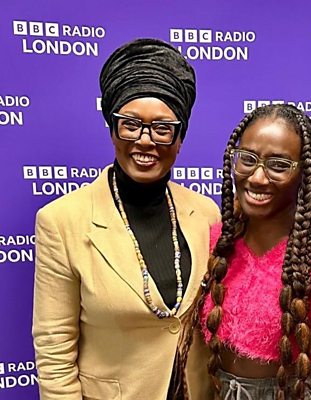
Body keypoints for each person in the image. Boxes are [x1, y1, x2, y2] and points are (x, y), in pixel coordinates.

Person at [32, 38, 220, 400]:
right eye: (130, 124)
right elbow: (55, 350)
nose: (145, 141)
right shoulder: (62, 221)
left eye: (162, 128)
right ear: (112, 128)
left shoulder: (205, 212)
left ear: (180, 138)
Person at [180, 104, 311, 400]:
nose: (257, 177)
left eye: (278, 165)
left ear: (303, 173)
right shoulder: (216, 241)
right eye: (247, 159)